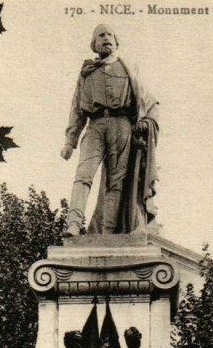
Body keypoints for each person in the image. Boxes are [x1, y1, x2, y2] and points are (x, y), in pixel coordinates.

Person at [61, 24, 159, 237]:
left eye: (109, 35)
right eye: (100, 36)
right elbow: (77, 106)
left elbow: (147, 100)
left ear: (116, 41)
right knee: (83, 174)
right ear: (94, 45)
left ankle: (108, 232)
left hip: (121, 125)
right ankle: (73, 224)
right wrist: (70, 141)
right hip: (95, 125)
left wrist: (145, 120)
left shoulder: (128, 68)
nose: (106, 38)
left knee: (116, 181)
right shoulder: (86, 73)